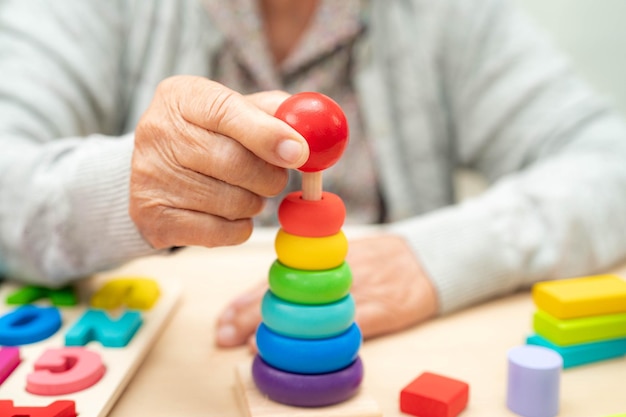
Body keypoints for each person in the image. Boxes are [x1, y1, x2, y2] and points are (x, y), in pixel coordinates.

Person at [2, 0, 626, 350]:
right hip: (169, 353)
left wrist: (442, 255)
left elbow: (608, 160)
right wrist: (126, 188)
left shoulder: (451, 17)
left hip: (384, 349)